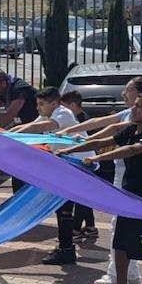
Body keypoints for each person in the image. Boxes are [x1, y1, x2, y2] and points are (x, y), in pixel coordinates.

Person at [58, 92, 142, 284]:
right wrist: (69, 151)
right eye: (134, 105)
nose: (134, 109)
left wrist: (97, 159)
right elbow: (103, 142)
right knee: (119, 246)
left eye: (139, 106)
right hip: (126, 197)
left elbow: (130, 150)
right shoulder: (131, 130)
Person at [9, 87, 83, 265]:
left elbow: (35, 128)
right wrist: (5, 133)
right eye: (37, 104)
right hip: (63, 165)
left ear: (54, 104)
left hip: (76, 165)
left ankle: (66, 250)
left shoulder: (63, 114)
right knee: (62, 208)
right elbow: (28, 126)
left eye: (41, 104)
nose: (38, 108)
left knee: (64, 208)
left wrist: (6, 137)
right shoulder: (47, 114)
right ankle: (65, 247)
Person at [60, 90, 97, 240]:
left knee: (80, 198)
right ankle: (90, 227)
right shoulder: (78, 118)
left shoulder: (80, 122)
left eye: (64, 107)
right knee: (83, 196)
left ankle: (75, 229)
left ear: (73, 105)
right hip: (83, 162)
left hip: (85, 163)